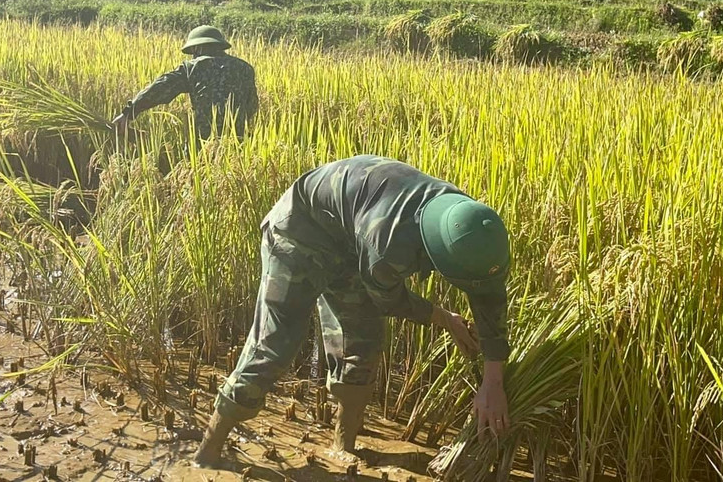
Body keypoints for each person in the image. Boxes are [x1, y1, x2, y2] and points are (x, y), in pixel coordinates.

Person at [193, 155, 511, 468]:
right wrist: (445, 318)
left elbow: (490, 297)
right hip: (301, 230)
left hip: (349, 238)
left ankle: (343, 445)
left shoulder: (472, 226)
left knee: (363, 342)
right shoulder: (388, 243)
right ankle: (209, 451)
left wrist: (492, 382)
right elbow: (388, 300)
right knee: (276, 343)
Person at [110, 25, 257, 141]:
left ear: (196, 48)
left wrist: (129, 113)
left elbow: (160, 88)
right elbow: (252, 106)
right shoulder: (245, 69)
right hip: (239, 142)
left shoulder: (193, 68)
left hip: (204, 144)